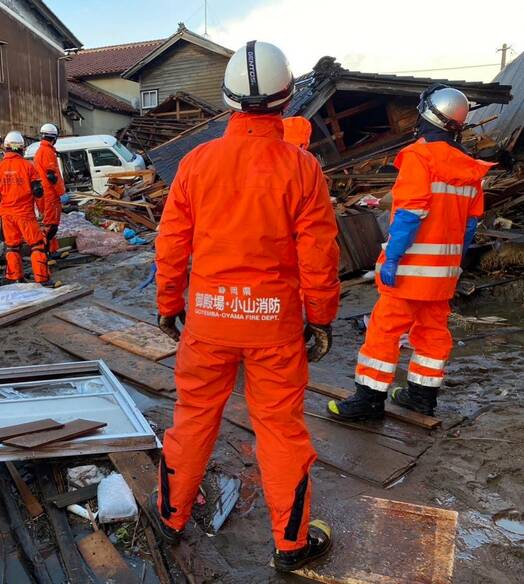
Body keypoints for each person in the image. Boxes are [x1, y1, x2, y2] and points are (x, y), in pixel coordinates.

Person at [150, 41, 340, 573]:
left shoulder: (197, 163)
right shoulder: (302, 169)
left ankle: (170, 516)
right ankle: (290, 544)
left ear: (228, 98)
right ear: (286, 100)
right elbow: (319, 257)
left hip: (208, 321)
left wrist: (169, 305)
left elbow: (171, 245)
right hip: (274, 329)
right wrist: (321, 319)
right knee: (281, 432)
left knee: (192, 420)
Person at [328, 85, 493, 420]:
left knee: (384, 332)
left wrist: (391, 258)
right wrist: (452, 264)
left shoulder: (420, 158)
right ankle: (421, 396)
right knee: (432, 333)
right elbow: (469, 227)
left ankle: (368, 401)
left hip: (410, 270)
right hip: (443, 275)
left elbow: (408, 215)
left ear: (427, 115)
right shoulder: (469, 167)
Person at [0, 131, 51, 285]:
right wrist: (42, 212)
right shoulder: (28, 167)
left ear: (6, 148)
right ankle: (42, 280)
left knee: (12, 247)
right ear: (22, 148)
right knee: (37, 245)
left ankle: (15, 277)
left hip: (7, 215)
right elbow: (38, 192)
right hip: (24, 214)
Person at [33, 123, 66, 256]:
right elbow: (51, 176)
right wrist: (61, 192)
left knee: (49, 224)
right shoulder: (47, 152)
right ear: (54, 137)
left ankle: (51, 250)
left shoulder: (42, 150)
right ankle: (43, 252)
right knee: (51, 226)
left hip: (45, 193)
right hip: (50, 194)